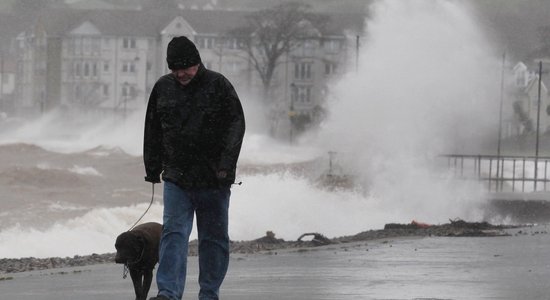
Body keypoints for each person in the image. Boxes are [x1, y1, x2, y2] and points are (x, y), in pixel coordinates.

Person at [143, 36, 245, 300]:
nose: (181, 73)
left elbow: (236, 126)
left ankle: (209, 294)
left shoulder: (218, 85)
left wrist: (226, 167)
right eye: (176, 69)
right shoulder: (163, 88)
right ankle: (168, 293)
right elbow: (152, 128)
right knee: (173, 235)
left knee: (213, 241)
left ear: (198, 63)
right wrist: (152, 167)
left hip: (214, 179)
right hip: (177, 176)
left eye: (186, 68)